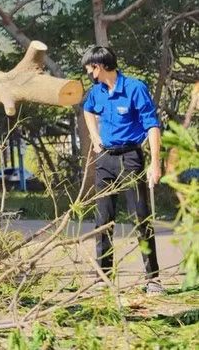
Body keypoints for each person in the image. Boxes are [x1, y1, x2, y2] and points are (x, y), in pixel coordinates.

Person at [81, 45, 163, 296]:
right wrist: (94, 137)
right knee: (103, 220)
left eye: (89, 68)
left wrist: (155, 163)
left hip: (130, 158)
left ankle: (153, 279)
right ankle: (103, 278)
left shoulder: (135, 88)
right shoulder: (97, 92)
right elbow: (87, 109)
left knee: (140, 217)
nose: (88, 73)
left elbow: (152, 125)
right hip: (105, 159)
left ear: (99, 66)